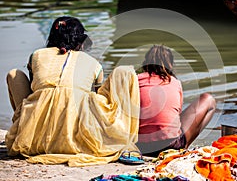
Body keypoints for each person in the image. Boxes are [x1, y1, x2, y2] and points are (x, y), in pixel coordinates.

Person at [5, 16, 140, 166]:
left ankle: (23, 128)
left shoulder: (36, 55)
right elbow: (94, 102)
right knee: (91, 96)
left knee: (14, 74)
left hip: (34, 139)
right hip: (75, 139)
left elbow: (33, 90)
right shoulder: (94, 64)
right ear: (81, 42)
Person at [136, 45, 216, 156]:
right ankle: (183, 148)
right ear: (171, 65)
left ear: (146, 62)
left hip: (141, 147)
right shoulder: (174, 82)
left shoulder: (136, 80)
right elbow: (176, 116)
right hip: (171, 144)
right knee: (209, 100)